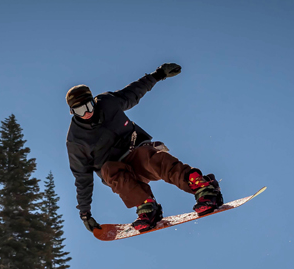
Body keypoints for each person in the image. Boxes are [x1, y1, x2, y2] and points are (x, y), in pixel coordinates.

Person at [66, 63, 224, 233]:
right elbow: (82, 178)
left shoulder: (108, 103)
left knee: (151, 157)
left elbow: (133, 92)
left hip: (136, 153)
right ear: (72, 112)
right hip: (118, 173)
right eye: (79, 110)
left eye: (88, 106)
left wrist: (158, 74)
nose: (86, 113)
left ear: (93, 102)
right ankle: (147, 207)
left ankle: (203, 187)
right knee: (109, 170)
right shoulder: (76, 140)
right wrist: (85, 212)